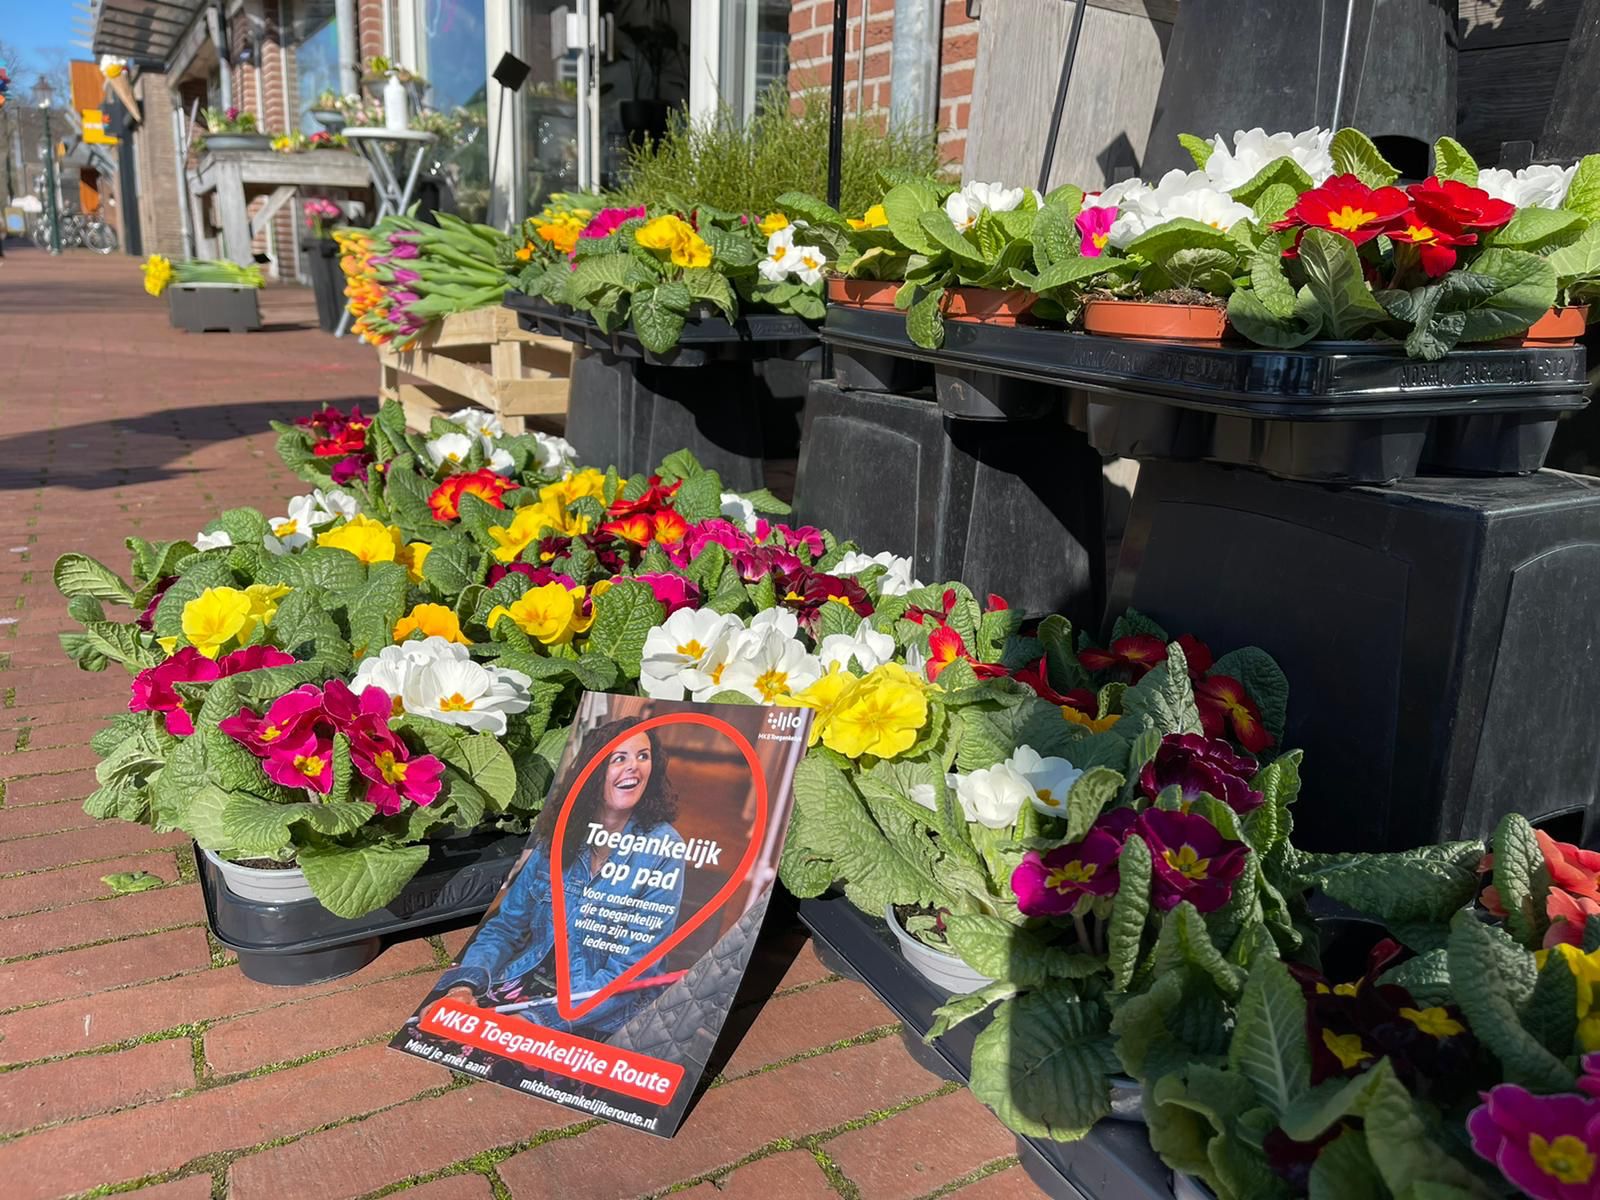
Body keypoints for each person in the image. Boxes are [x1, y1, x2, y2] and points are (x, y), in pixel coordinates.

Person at [433, 718, 686, 1036]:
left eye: (643, 756)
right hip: (526, 983)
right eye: (618, 757)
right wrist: (464, 987)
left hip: (600, 1013)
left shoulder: (664, 847)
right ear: (594, 770)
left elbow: (632, 971)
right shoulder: (562, 832)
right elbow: (506, 926)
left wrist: (537, 1020)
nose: (634, 767)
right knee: (441, 1026)